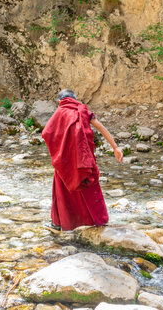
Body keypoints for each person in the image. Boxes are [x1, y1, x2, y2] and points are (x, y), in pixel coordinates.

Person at [42, 89, 123, 231]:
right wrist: (115, 147)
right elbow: (101, 127)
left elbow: (47, 133)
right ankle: (98, 221)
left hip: (64, 163)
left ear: (60, 101)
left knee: (63, 193)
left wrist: (59, 152)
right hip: (84, 162)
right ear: (74, 99)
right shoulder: (82, 110)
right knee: (89, 190)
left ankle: (59, 224)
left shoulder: (59, 112)